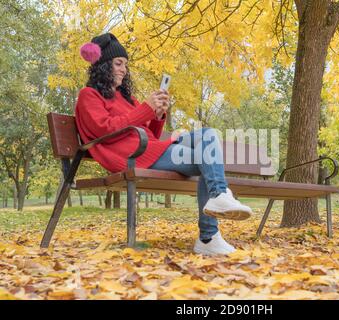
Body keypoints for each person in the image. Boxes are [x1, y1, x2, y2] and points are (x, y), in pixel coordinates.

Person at [75, 33, 253, 255]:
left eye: (125, 65)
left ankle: (219, 197)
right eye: (118, 63)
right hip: (130, 156)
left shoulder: (126, 99)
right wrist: (146, 109)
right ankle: (208, 237)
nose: (123, 69)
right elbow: (105, 129)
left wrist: (157, 115)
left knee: (207, 135)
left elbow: (150, 134)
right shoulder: (88, 95)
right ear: (102, 65)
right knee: (206, 160)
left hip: (148, 149)